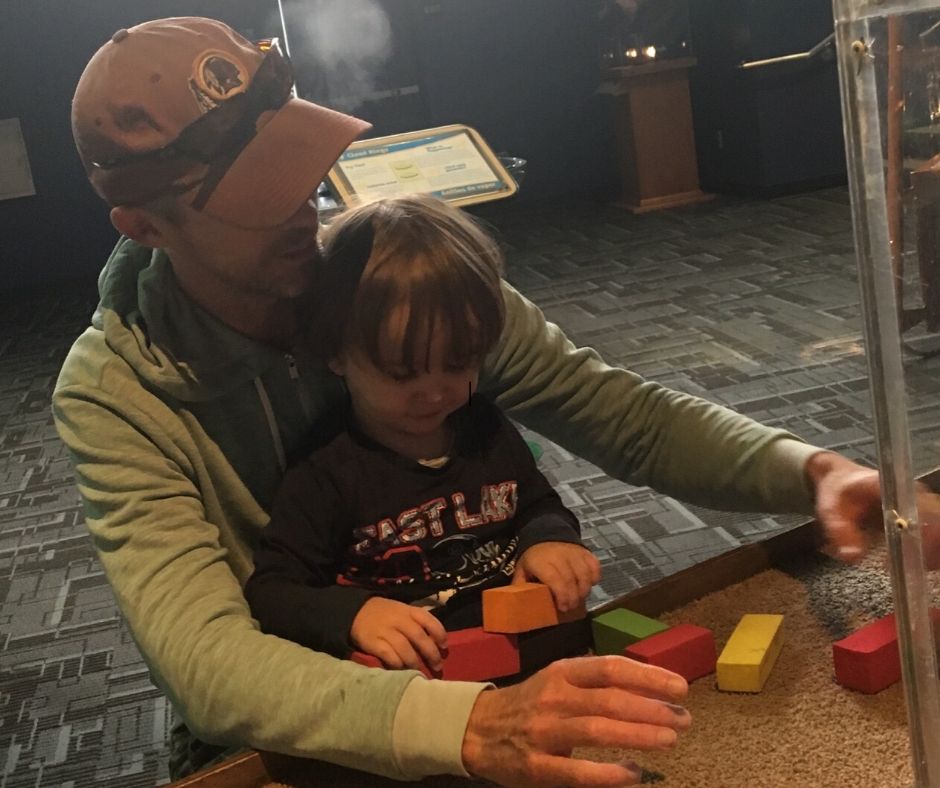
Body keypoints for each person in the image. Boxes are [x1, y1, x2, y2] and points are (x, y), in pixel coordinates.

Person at [54, 14, 894, 788]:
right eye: (254, 196)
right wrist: (472, 722)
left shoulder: (388, 279)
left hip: (472, 668)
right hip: (293, 729)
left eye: (298, 168)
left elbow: (619, 413)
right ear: (145, 227)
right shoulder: (114, 393)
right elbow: (209, 663)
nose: (301, 211)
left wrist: (809, 467)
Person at [244, 194, 601, 674]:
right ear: (336, 356)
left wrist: (549, 539)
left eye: (459, 364)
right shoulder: (326, 468)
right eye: (401, 373)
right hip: (417, 684)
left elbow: (535, 501)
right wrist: (354, 614)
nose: (435, 394)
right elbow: (274, 591)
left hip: (527, 650)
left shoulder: (483, 426)